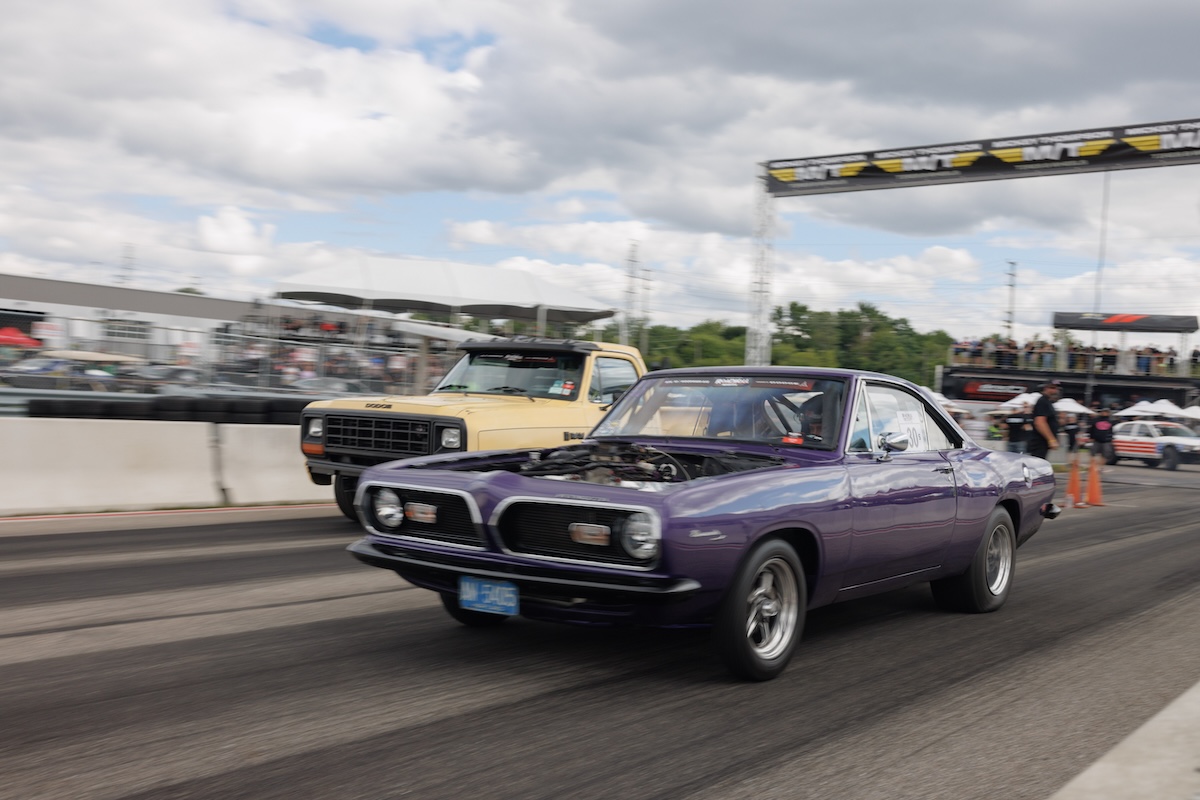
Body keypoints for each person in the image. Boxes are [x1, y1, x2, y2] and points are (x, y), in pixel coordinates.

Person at [1027, 380, 1062, 460]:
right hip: (1039, 442)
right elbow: (1039, 422)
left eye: (1057, 388)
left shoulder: (1047, 402)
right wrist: (1051, 440)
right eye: (1052, 388)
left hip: (1042, 442)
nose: (1055, 391)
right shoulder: (1043, 401)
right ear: (1045, 388)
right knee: (1037, 464)